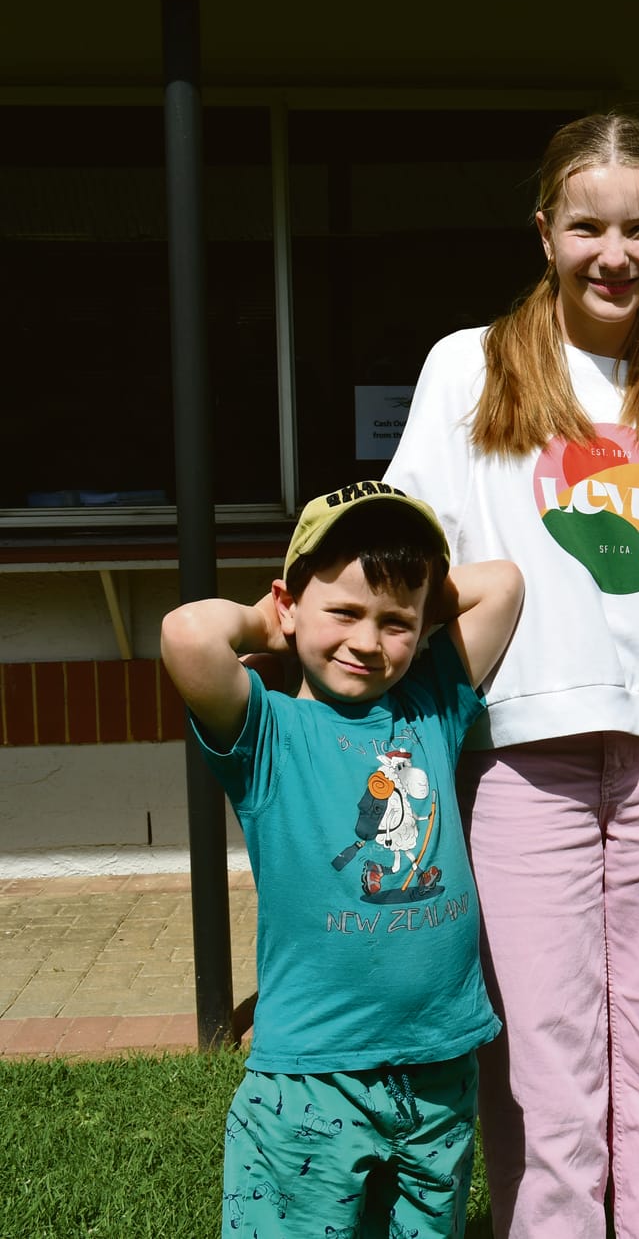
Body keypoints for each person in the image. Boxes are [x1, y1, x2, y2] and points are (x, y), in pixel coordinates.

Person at [384, 112, 639, 1238]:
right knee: (541, 1059)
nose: (615, 251)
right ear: (546, 229)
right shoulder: (466, 371)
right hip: (518, 764)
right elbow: (419, 547)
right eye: (588, 225)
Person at [161, 482, 524, 1239]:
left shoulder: (430, 705)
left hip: (439, 1064)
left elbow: (503, 585)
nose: (369, 640)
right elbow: (189, 636)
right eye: (346, 612)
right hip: (312, 1077)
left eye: (397, 622)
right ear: (291, 606)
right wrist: (271, 619)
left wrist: (420, 602)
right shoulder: (268, 733)